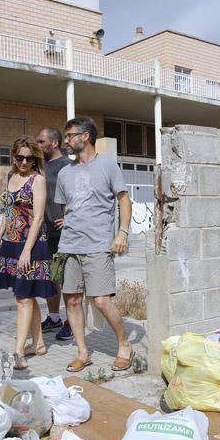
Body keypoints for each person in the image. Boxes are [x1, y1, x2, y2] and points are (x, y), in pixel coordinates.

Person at [55, 117, 134, 373]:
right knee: (73, 301)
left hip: (98, 244)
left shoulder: (108, 165)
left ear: (85, 136)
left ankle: (124, 345)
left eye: (70, 136)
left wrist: (122, 232)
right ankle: (83, 352)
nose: (66, 140)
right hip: (69, 246)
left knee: (100, 300)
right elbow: (66, 208)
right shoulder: (65, 173)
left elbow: (123, 199)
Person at [0, 136, 56, 370]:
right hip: (11, 242)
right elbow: (7, 211)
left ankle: (19, 350)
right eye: (20, 157)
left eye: (29, 158)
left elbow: (38, 218)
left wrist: (27, 250)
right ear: (14, 156)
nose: (25, 162)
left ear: (34, 158)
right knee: (27, 295)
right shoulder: (11, 177)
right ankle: (38, 344)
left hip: (31, 244)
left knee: (23, 298)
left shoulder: (37, 180)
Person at [35, 127, 71, 339]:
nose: (38, 145)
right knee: (51, 277)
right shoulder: (40, 167)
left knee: (68, 279)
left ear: (54, 143)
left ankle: (71, 322)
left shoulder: (68, 165)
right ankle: (54, 318)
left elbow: (79, 195)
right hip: (44, 232)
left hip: (64, 234)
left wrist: (69, 219)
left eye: (41, 142)